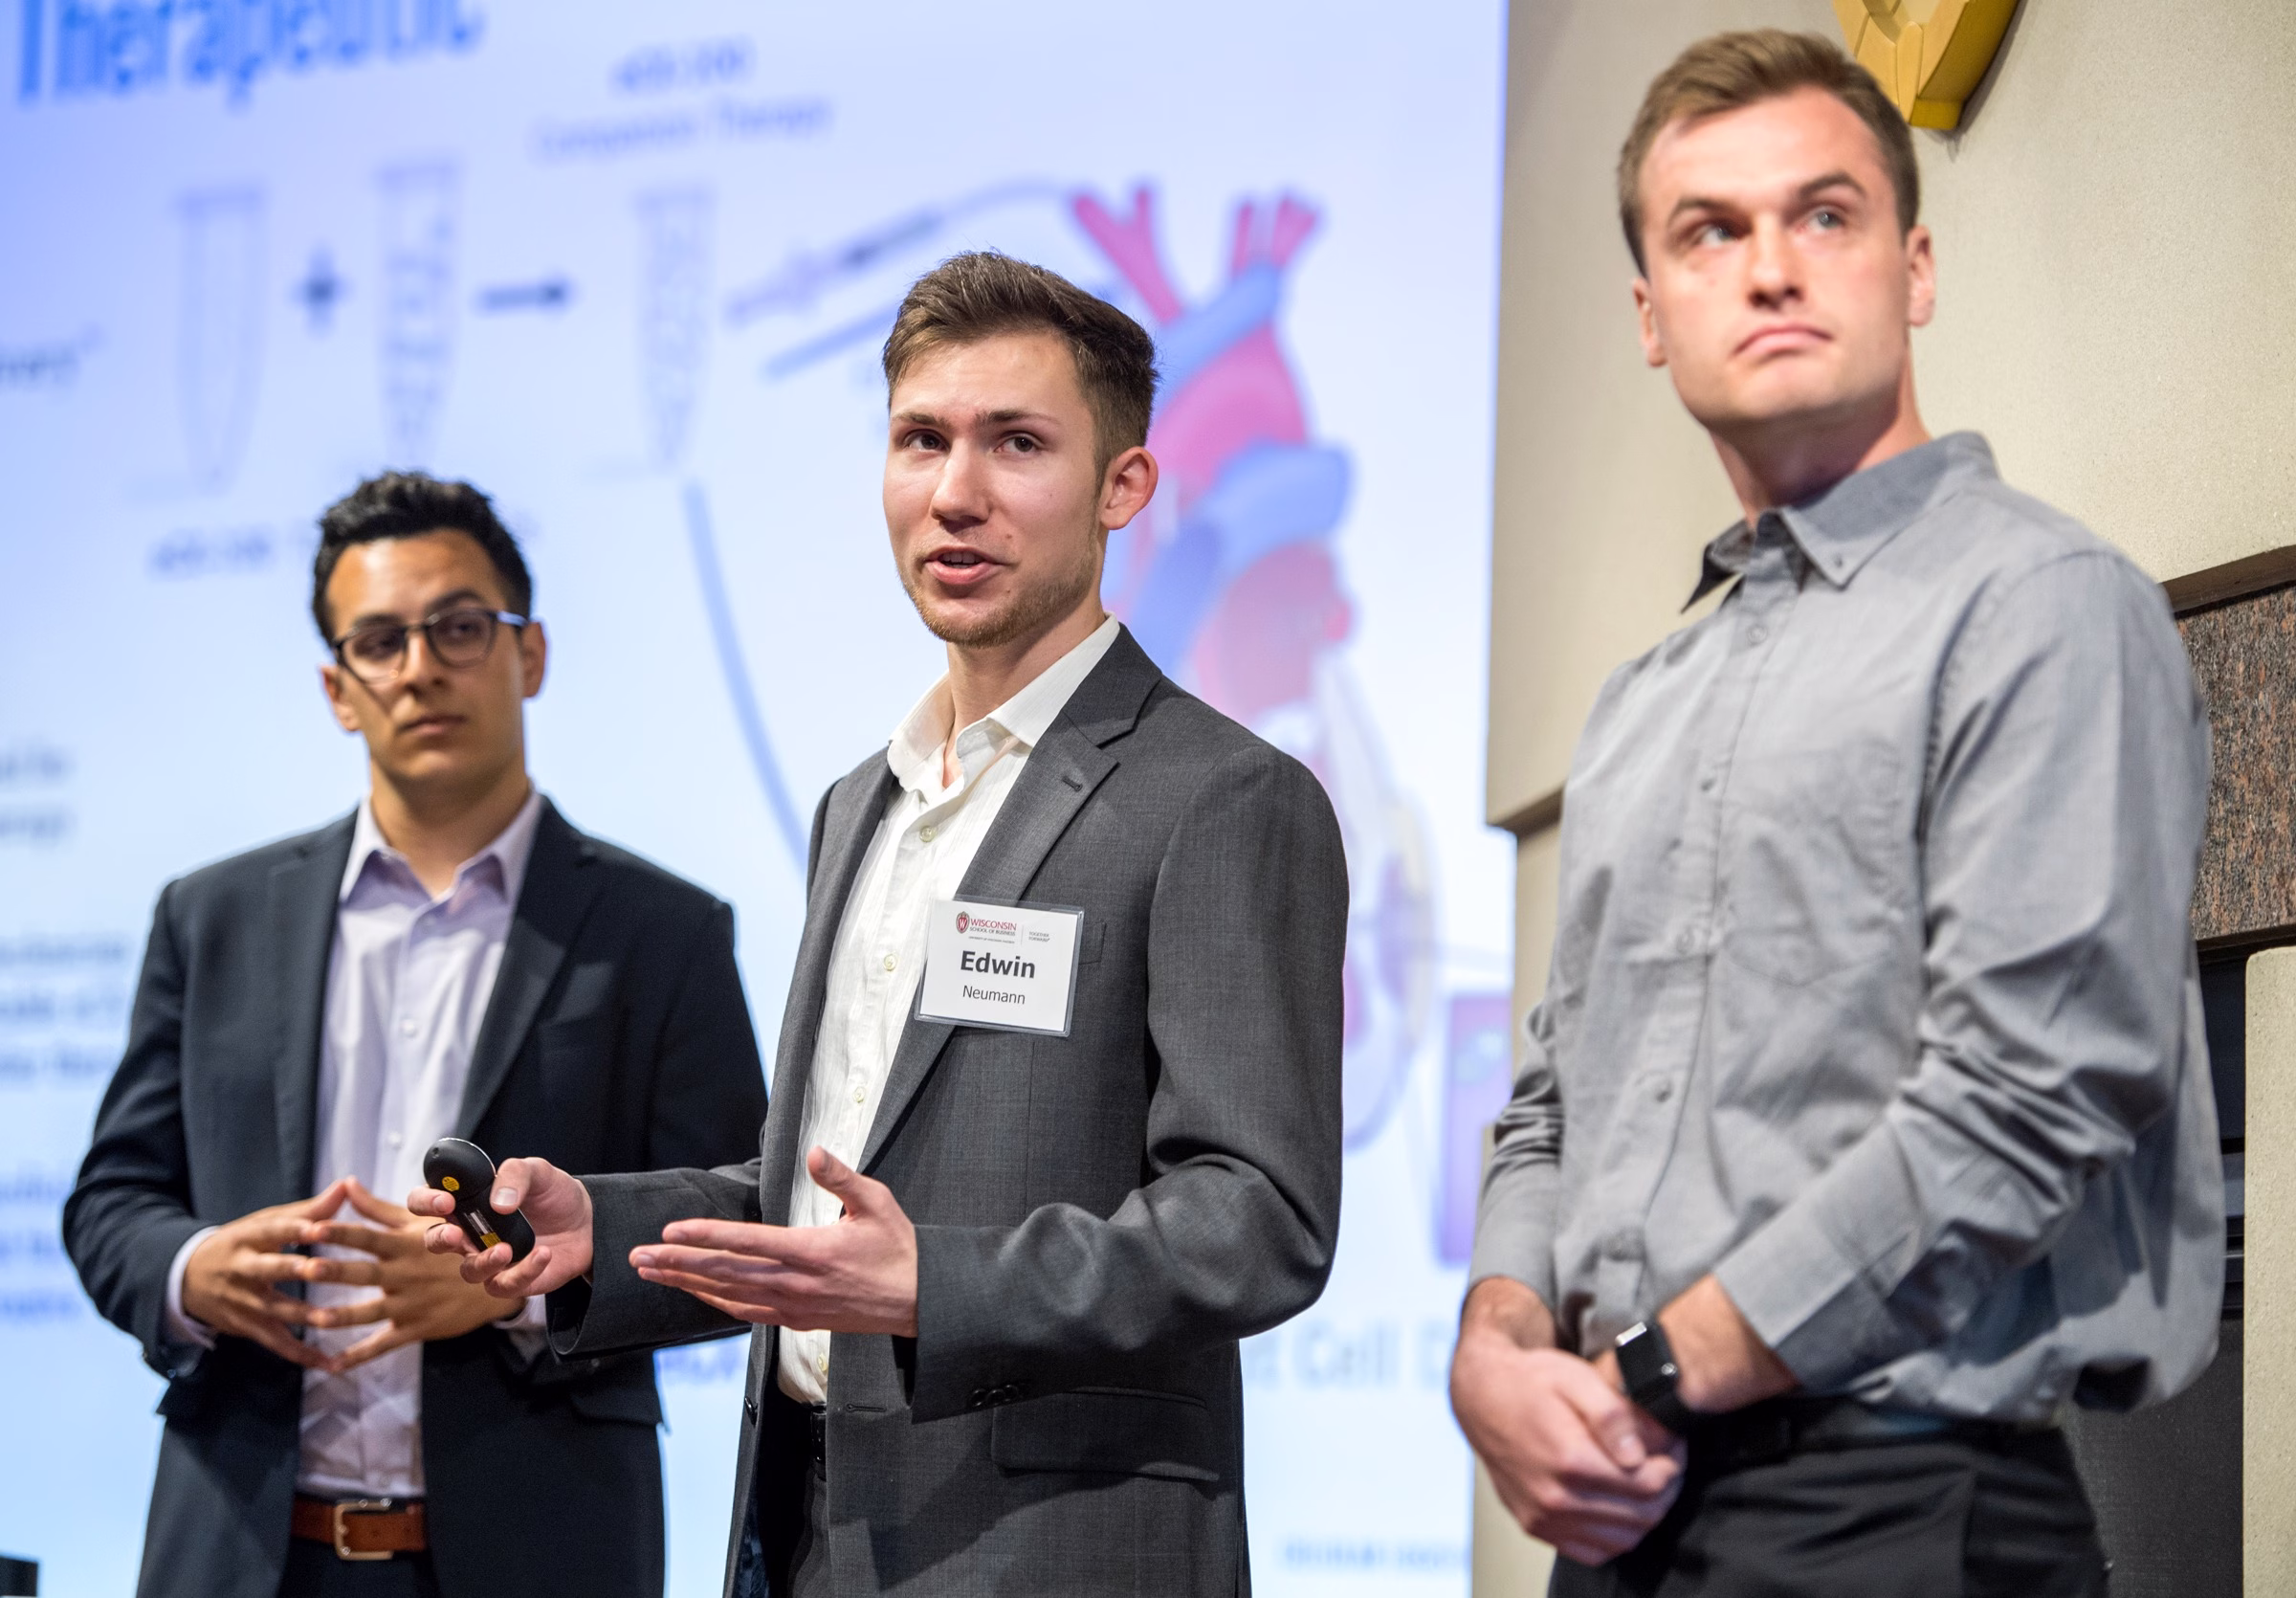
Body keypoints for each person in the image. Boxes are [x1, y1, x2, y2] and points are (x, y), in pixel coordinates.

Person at [412, 252, 1350, 1597]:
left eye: (1017, 442)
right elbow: (821, 1188)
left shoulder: (1220, 796)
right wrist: (599, 1235)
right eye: (922, 439)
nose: (956, 492)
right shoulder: (863, 802)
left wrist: (935, 1285)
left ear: (1124, 486)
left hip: (1055, 1556)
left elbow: (1256, 1218)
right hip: (811, 1540)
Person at [1449, 30, 2220, 1598]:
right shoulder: (1641, 700)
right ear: (1651, 316)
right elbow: (1553, 1107)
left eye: (1824, 214)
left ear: (1913, 270)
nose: (1771, 268)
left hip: (1900, 1511)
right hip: (1629, 1514)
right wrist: (1496, 1345)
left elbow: (2025, 1098)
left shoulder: (2044, 608)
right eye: (1710, 231)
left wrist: (1650, 1369)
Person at [64, 474, 769, 1598]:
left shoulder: (661, 930)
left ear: (529, 653)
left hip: (535, 1551)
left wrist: (523, 1291)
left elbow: (743, 1230)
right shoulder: (213, 917)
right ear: (338, 688)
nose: (419, 667)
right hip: (239, 1548)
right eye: (379, 641)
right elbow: (112, 1199)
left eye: (458, 627)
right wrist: (198, 1271)